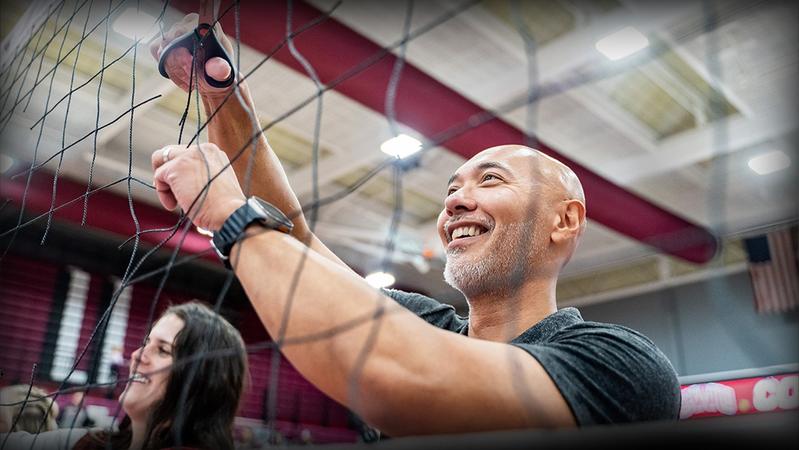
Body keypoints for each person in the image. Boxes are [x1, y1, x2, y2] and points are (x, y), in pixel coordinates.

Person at [150, 15, 680, 436]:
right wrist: (220, 92)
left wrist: (231, 217)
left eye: (490, 180)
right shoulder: (428, 324)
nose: (456, 203)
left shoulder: (621, 364)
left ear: (564, 220)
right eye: (451, 190)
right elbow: (296, 241)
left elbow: (398, 374)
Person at [1, 302, 248, 449]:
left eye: (162, 350)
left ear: (200, 381)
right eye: (146, 342)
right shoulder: (94, 443)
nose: (137, 355)